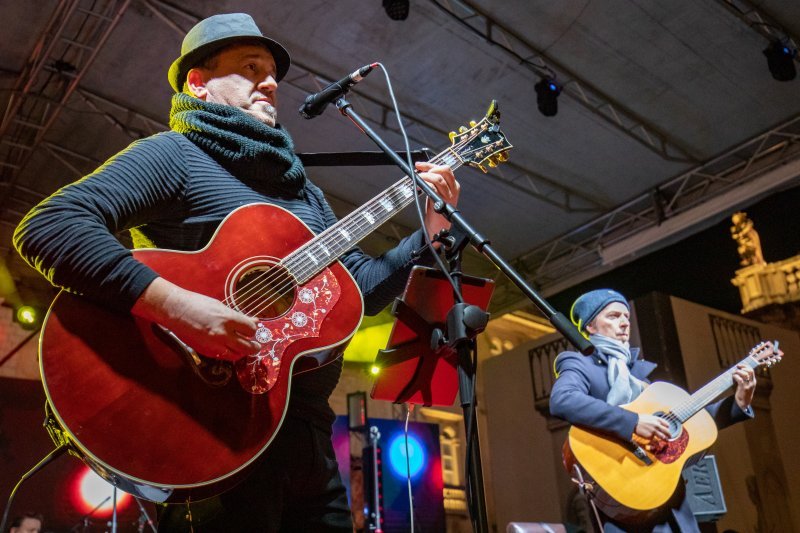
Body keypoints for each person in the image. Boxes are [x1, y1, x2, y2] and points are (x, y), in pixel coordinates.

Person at [13, 13, 459, 532]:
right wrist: (182, 307)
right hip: (207, 437)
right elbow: (49, 225)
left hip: (308, 444)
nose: (270, 82)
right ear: (198, 84)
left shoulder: (304, 194)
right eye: (251, 68)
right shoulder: (175, 156)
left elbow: (358, 289)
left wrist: (430, 235)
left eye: (271, 73)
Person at [549, 289, 756, 533]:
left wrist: (739, 402)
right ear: (591, 326)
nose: (625, 322)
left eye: (626, 316)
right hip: (624, 501)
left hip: (672, 501)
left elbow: (689, 427)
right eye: (614, 316)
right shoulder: (580, 364)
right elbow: (563, 399)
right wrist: (633, 422)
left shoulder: (639, 373)